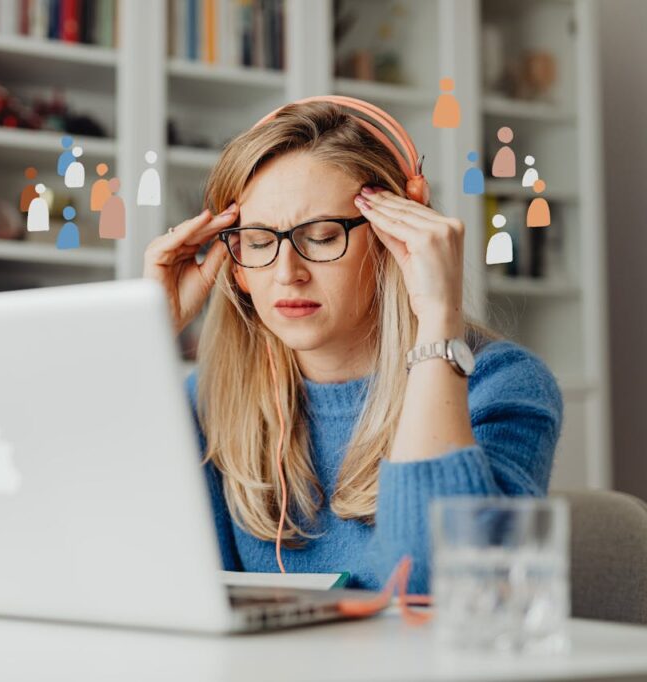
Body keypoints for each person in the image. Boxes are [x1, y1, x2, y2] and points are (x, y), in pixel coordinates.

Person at [141, 100, 563, 594]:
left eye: (321, 237)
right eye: (257, 242)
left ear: (395, 237)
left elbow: (434, 587)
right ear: (234, 262)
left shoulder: (501, 386)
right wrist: (146, 337)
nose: (287, 273)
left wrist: (437, 325)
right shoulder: (209, 400)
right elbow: (146, 572)